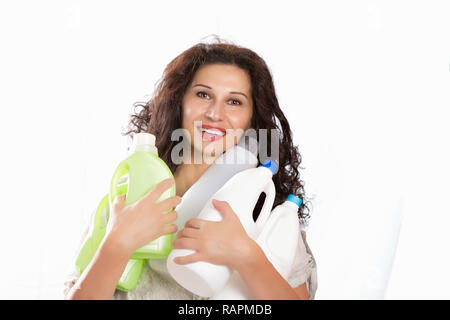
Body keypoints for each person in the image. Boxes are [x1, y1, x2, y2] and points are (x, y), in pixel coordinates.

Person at [64, 36, 317, 300]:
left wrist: (245, 255)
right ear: (178, 102)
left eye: (234, 101)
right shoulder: (129, 197)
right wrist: (117, 244)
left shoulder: (265, 212)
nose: (214, 113)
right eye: (203, 94)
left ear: (252, 118)